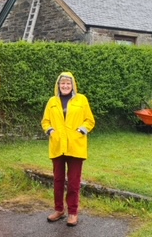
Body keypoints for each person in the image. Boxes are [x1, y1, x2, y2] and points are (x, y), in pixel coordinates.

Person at [41, 72, 95, 226]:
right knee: (58, 180)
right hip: (57, 145)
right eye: (62, 83)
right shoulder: (52, 101)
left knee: (73, 182)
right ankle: (59, 210)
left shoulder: (82, 100)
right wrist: (50, 131)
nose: (65, 86)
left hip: (75, 146)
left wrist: (81, 131)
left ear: (73, 85)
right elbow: (45, 121)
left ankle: (73, 212)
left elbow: (89, 120)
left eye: (68, 83)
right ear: (58, 85)